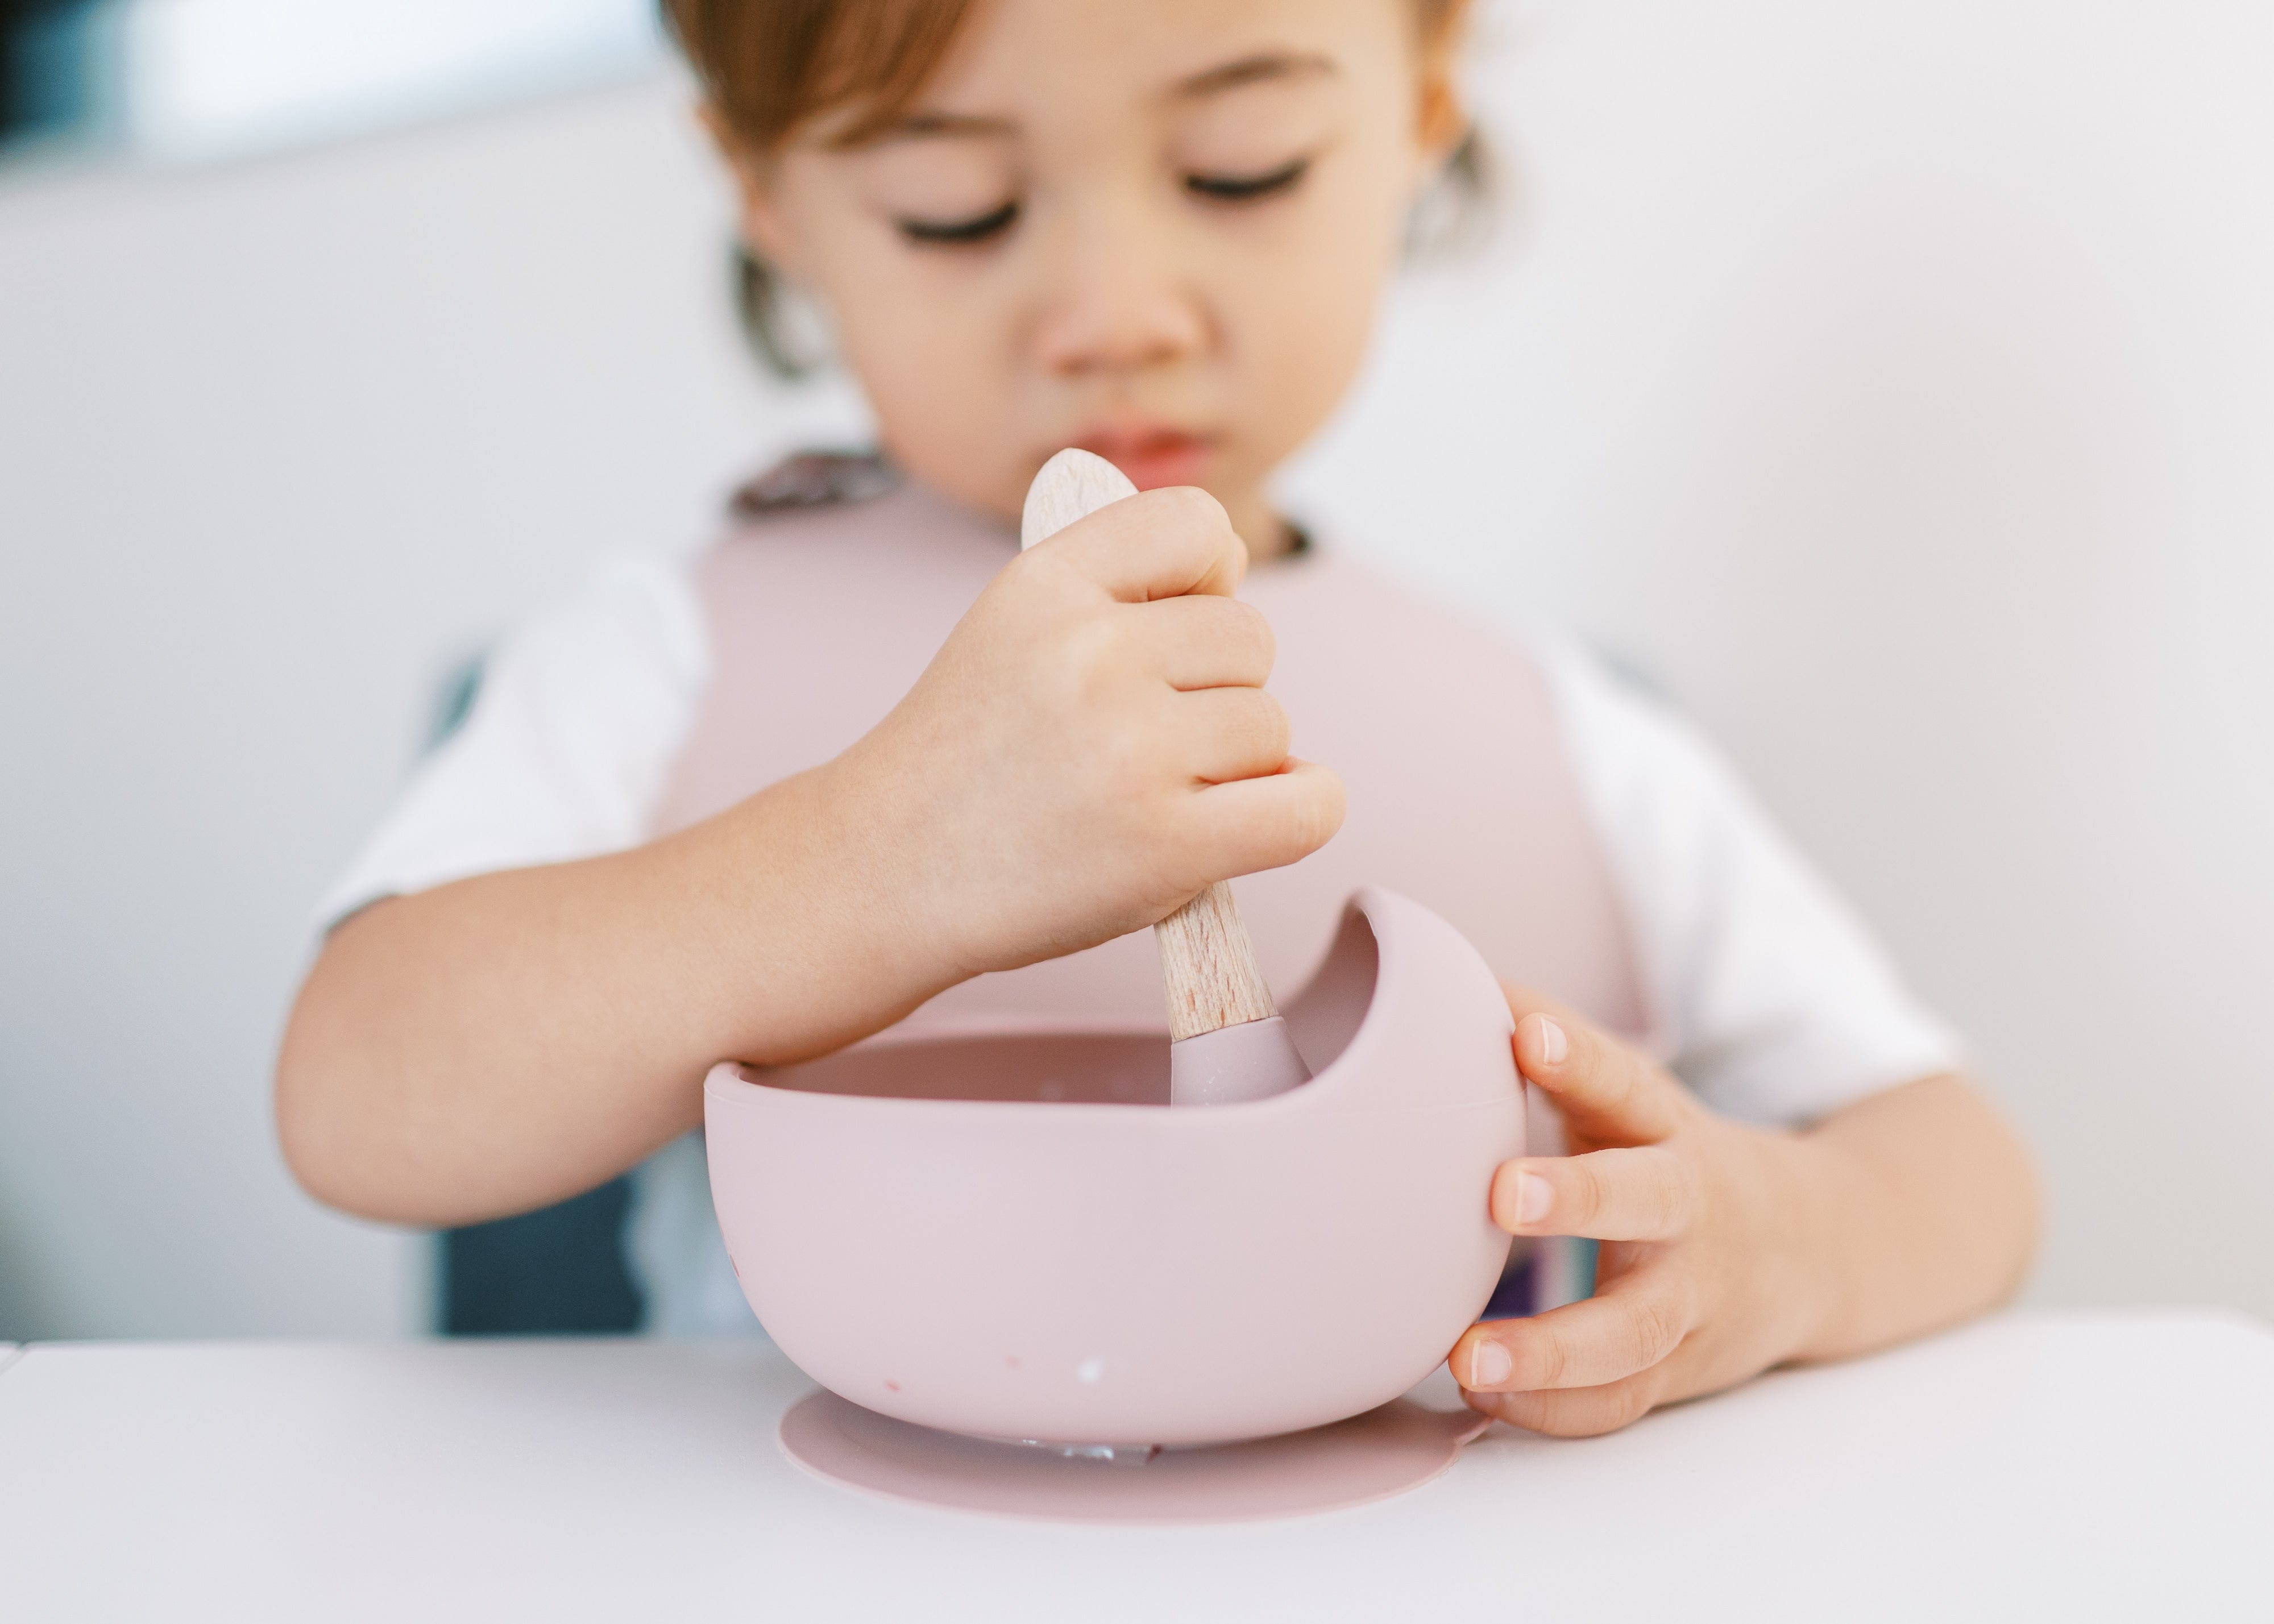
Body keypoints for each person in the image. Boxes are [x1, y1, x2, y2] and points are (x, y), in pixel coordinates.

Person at [277, 0, 2039, 1437]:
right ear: (769, 197)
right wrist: (872, 862)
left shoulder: (1558, 721)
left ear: (1419, 107)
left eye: (1239, 168)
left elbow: (1959, 1164)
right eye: (955, 205)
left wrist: (1781, 1246)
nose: (1116, 315)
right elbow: (356, 1092)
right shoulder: (662, 653)